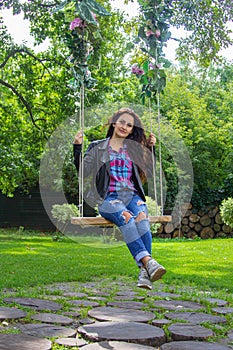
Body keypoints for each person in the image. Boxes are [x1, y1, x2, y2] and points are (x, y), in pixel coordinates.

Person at [73, 108, 166, 290]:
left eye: (129, 125)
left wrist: (151, 149)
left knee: (142, 220)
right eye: (122, 122)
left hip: (132, 196)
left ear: (132, 130)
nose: (125, 127)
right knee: (127, 218)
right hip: (108, 198)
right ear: (114, 122)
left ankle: (144, 273)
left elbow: (149, 170)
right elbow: (83, 172)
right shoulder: (97, 147)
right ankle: (148, 262)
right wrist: (77, 147)